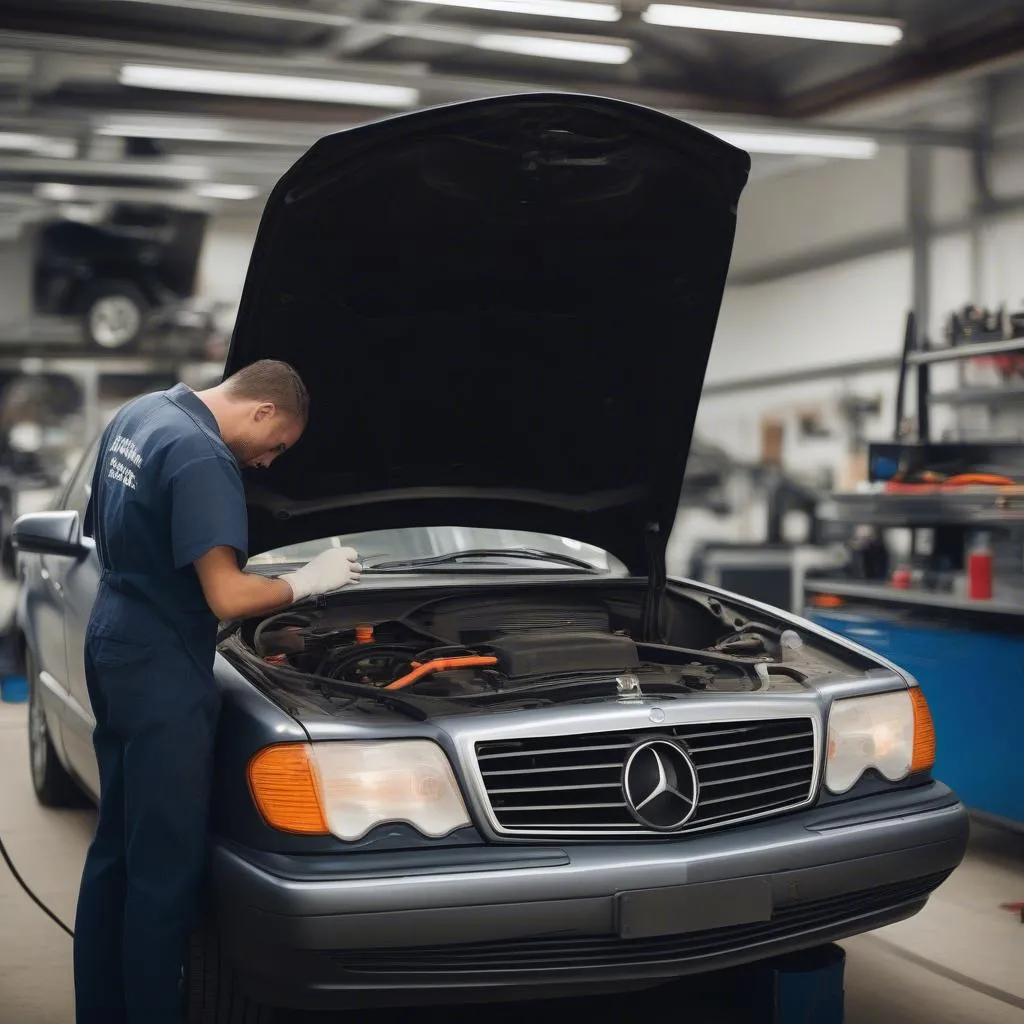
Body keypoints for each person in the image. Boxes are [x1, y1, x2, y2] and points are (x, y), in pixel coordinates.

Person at [73, 360, 361, 1024]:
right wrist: (305, 582)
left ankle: (101, 1010)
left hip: (114, 638)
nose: (268, 462)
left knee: (114, 851)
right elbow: (228, 595)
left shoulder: (139, 415)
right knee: (164, 872)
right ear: (262, 411)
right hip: (162, 668)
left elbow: (105, 530)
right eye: (279, 443)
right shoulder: (204, 457)